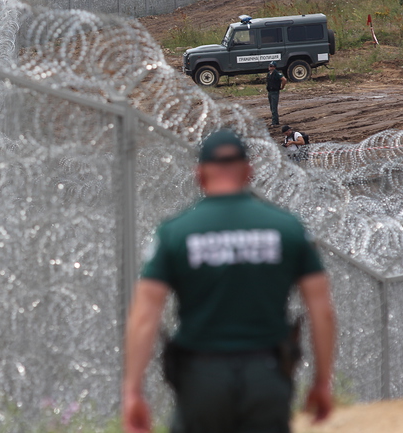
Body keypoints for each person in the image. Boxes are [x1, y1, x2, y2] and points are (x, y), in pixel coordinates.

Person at [122, 129, 335, 433]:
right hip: (267, 375)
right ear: (249, 172)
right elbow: (321, 309)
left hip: (201, 378)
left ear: (200, 175)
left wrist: (132, 392)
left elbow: (144, 315)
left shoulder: (175, 233)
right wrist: (322, 381)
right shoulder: (287, 229)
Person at [266, 62, 287, 127]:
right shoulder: (269, 74)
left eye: (272, 66)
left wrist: (282, 87)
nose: (270, 67)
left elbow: (284, 79)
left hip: (275, 92)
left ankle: (274, 122)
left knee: (274, 107)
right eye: (270, 66)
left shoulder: (277, 73)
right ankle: (275, 121)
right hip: (270, 92)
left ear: (274, 67)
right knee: (272, 107)